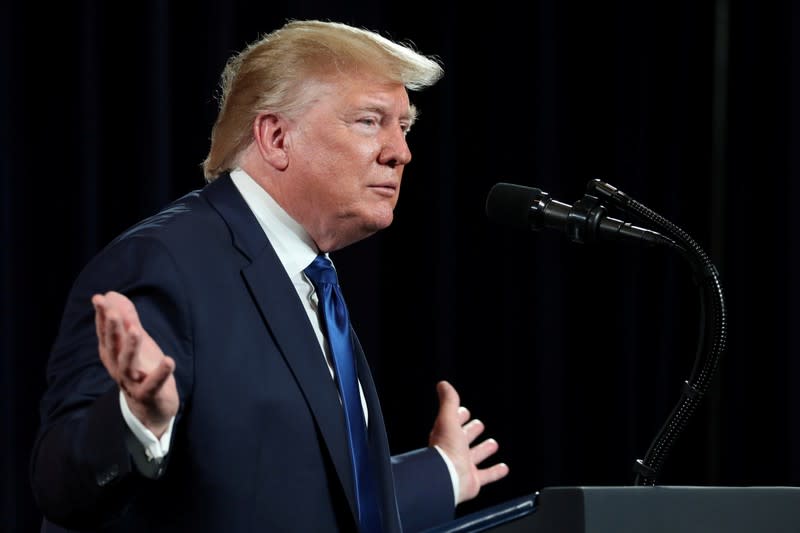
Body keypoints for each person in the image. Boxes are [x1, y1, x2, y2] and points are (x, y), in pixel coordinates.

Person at [30, 19, 509, 533]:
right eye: (370, 121)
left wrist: (443, 473)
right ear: (277, 137)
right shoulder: (164, 261)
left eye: (404, 126)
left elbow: (284, 491)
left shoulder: (304, 273)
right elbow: (60, 485)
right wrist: (137, 419)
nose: (400, 151)